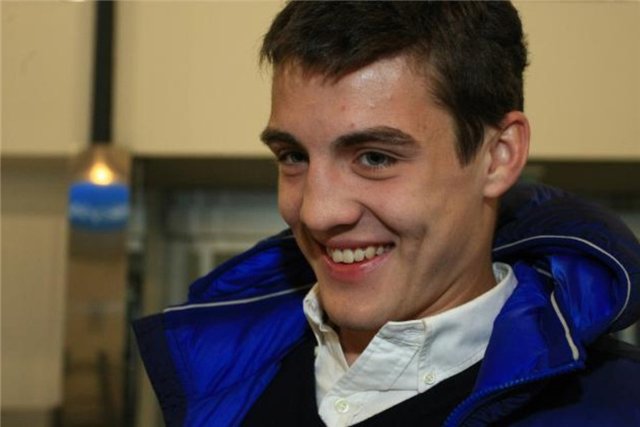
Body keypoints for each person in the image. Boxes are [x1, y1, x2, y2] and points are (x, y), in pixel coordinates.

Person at [134, 2, 640, 426]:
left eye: (375, 158)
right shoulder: (223, 381)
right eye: (293, 156)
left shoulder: (617, 407)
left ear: (497, 156)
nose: (317, 212)